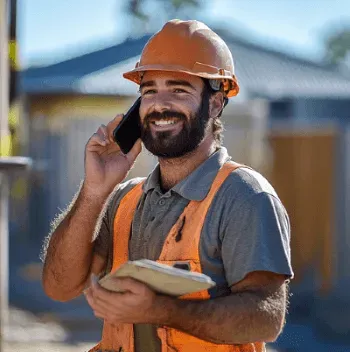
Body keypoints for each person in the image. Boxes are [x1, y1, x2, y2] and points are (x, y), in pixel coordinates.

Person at [42, 19, 293, 352]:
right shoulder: (124, 199)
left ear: (216, 103)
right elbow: (59, 286)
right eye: (149, 91)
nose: (159, 105)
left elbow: (267, 318)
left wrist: (161, 310)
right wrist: (95, 189)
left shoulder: (244, 196)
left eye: (178, 89)